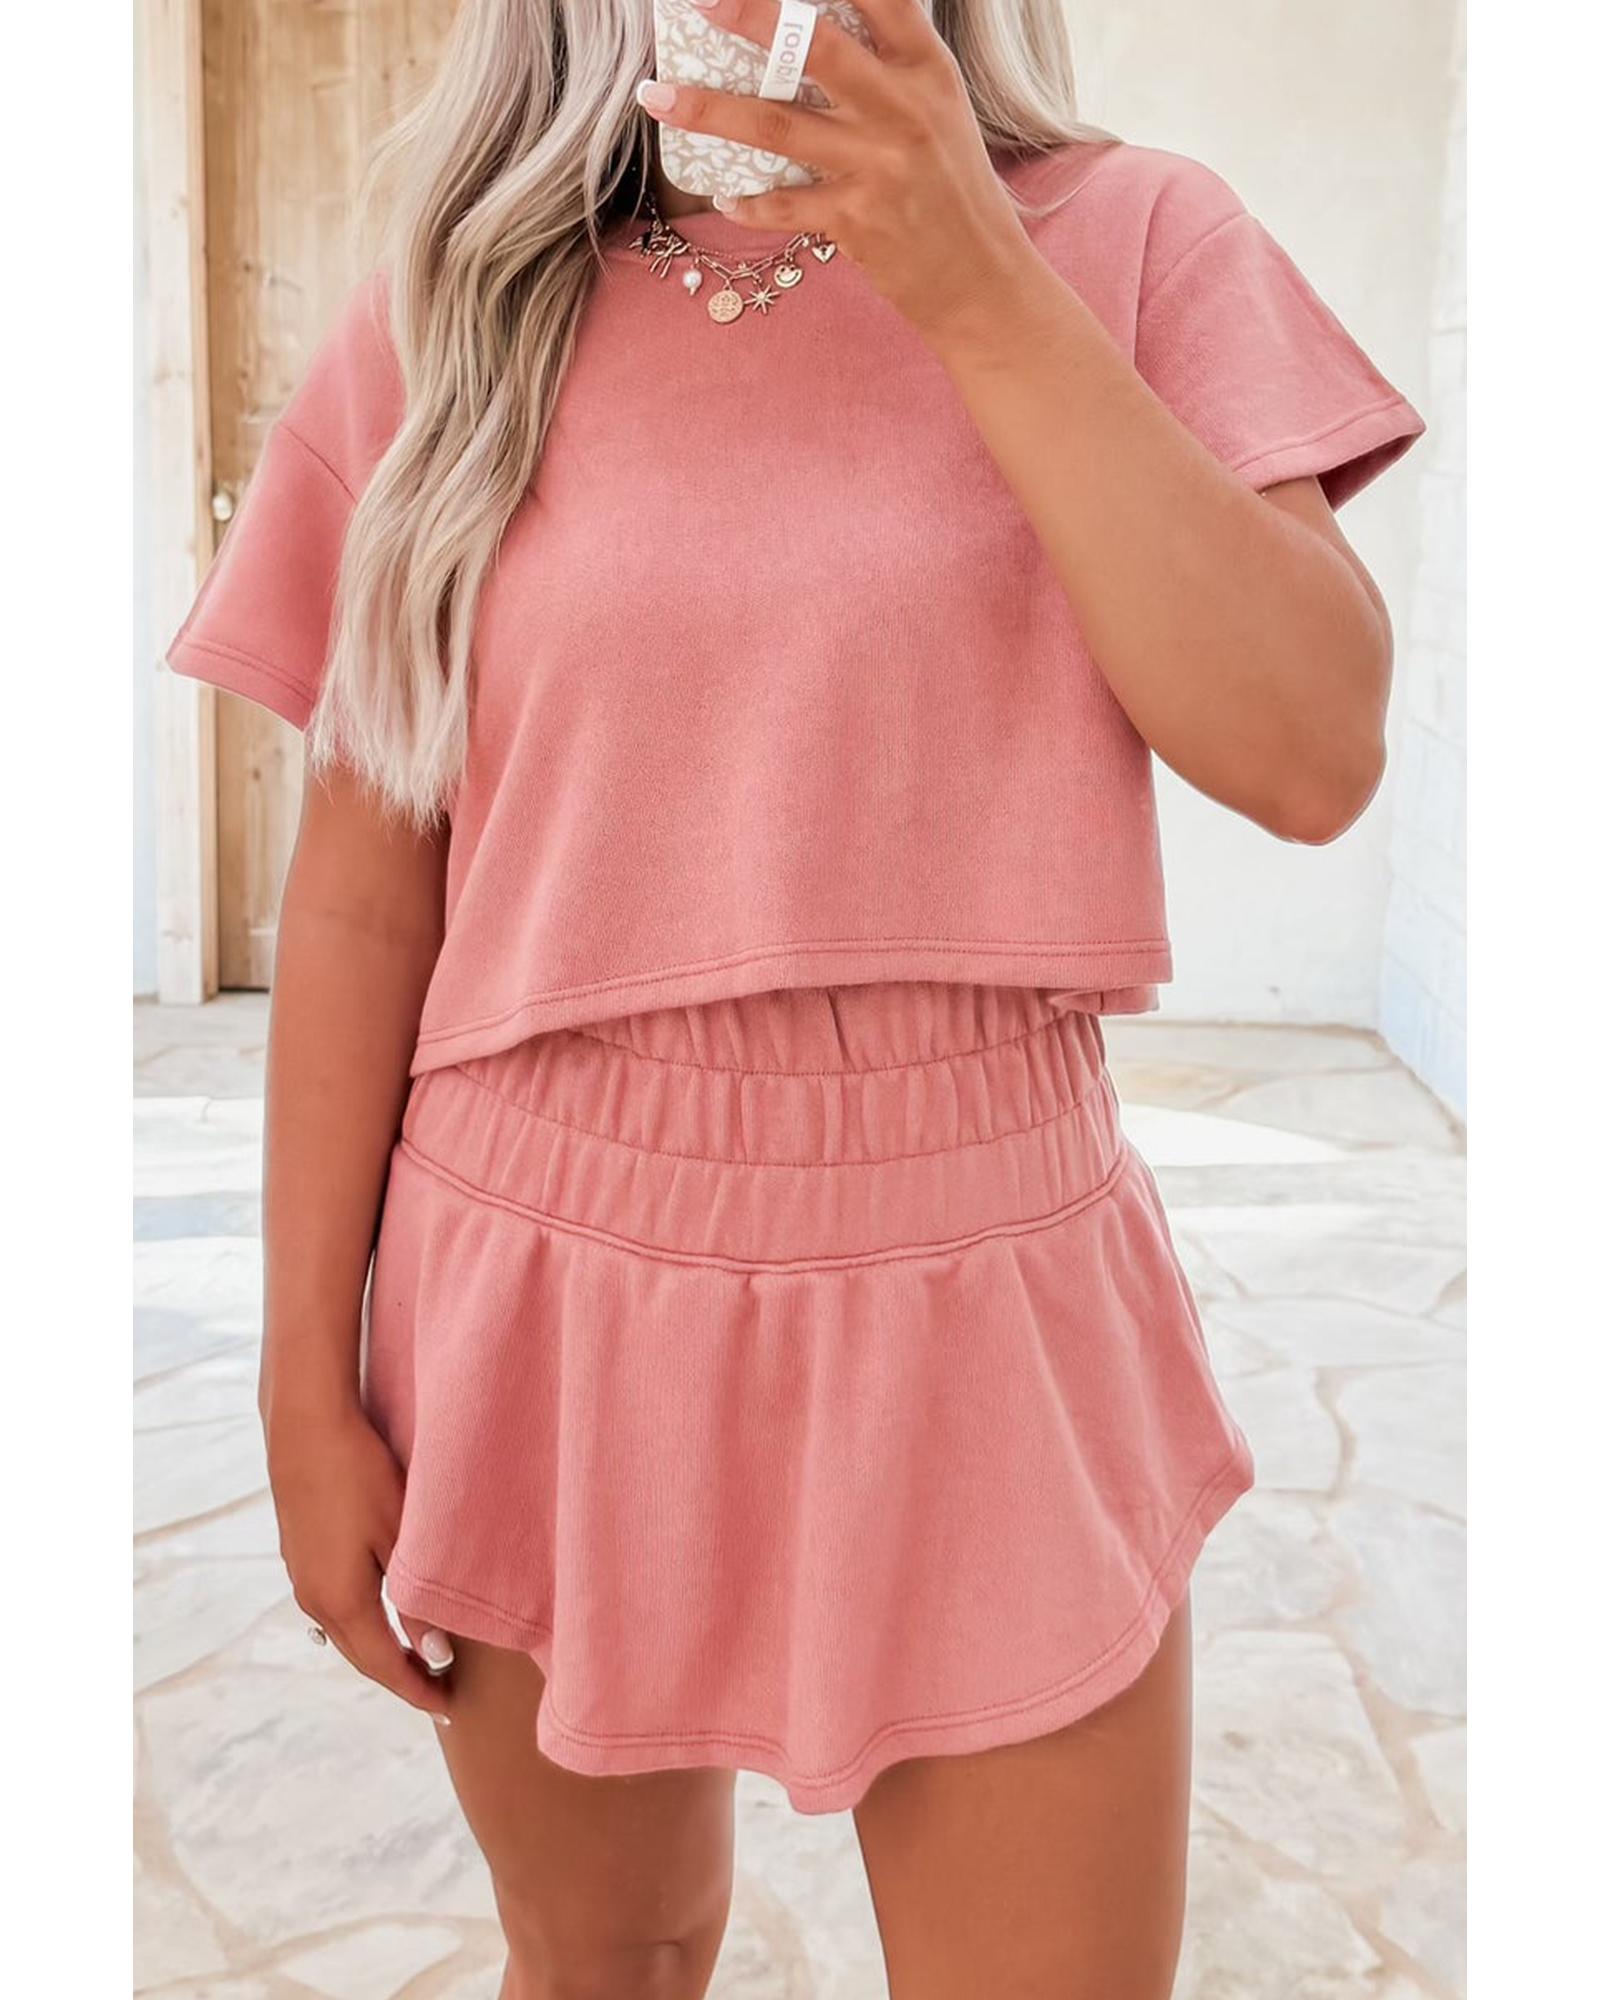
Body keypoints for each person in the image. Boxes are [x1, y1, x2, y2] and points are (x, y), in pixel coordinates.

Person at [166, 1, 1423, 1993]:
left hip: (982, 1284)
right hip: (539, 1277)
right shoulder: (461, 306)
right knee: (607, 1958)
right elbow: (358, 899)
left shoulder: (1133, 241)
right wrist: (298, 1375)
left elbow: (1310, 752)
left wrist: (974, 280)